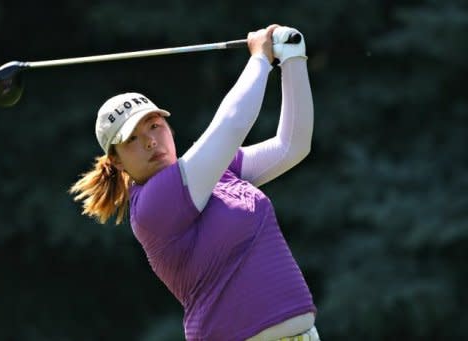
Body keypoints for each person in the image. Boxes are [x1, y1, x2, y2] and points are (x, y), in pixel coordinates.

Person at [70, 24, 319, 341]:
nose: (150, 142)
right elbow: (232, 124)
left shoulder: (216, 171)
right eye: (132, 139)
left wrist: (293, 59)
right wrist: (259, 58)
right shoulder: (153, 204)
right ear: (116, 160)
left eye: (154, 126)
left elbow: (291, 146)